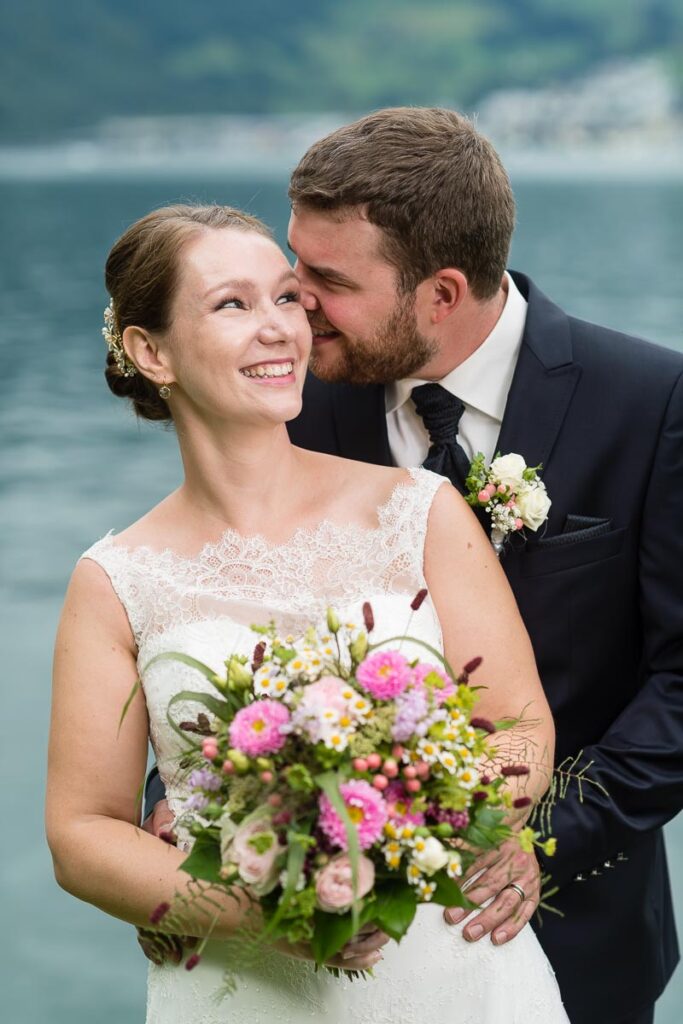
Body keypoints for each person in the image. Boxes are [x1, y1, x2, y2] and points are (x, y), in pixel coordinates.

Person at [146, 107, 683, 1023]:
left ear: (438, 293)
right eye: (289, 268)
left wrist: (536, 844)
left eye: (324, 280)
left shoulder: (653, 400)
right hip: (314, 943)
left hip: (568, 928)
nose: (293, 309)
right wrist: (183, 814)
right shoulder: (291, 403)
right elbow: (224, 610)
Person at [46, 204, 570, 1023]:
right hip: (240, 988)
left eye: (287, 298)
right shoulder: (115, 579)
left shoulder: (420, 510)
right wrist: (270, 917)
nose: (279, 329)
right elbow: (83, 835)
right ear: (151, 352)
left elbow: (520, 726)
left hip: (458, 970)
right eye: (233, 305)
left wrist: (406, 839)